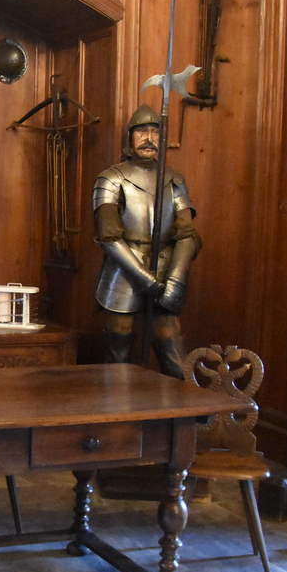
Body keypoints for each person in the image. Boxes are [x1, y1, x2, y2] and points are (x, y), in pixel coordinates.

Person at [90, 104, 200, 378]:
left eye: (155, 132)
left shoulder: (174, 180)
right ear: (129, 137)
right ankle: (117, 404)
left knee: (171, 348)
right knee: (118, 350)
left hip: (166, 268)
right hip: (123, 270)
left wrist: (175, 280)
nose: (149, 138)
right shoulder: (111, 178)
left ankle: (179, 405)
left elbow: (187, 234)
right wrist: (144, 279)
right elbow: (108, 236)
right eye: (142, 132)